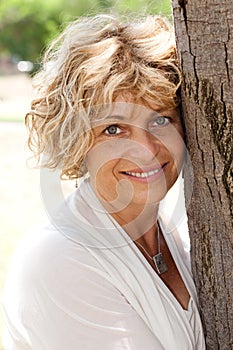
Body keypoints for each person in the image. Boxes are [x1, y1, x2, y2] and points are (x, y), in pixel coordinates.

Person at [2, 14, 206, 349]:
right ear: (79, 141)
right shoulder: (60, 261)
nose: (145, 149)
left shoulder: (172, 236)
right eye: (114, 129)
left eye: (160, 119)